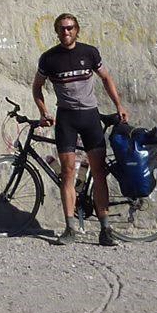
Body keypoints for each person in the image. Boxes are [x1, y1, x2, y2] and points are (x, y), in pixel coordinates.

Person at [33, 14, 128, 246]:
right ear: (56, 32)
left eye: (70, 28)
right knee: (67, 173)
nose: (66, 32)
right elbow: (37, 88)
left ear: (77, 30)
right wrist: (43, 111)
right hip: (66, 119)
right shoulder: (49, 58)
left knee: (98, 172)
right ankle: (70, 228)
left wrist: (119, 105)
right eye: (62, 29)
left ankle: (105, 230)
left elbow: (106, 78)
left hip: (90, 117)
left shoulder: (90, 52)